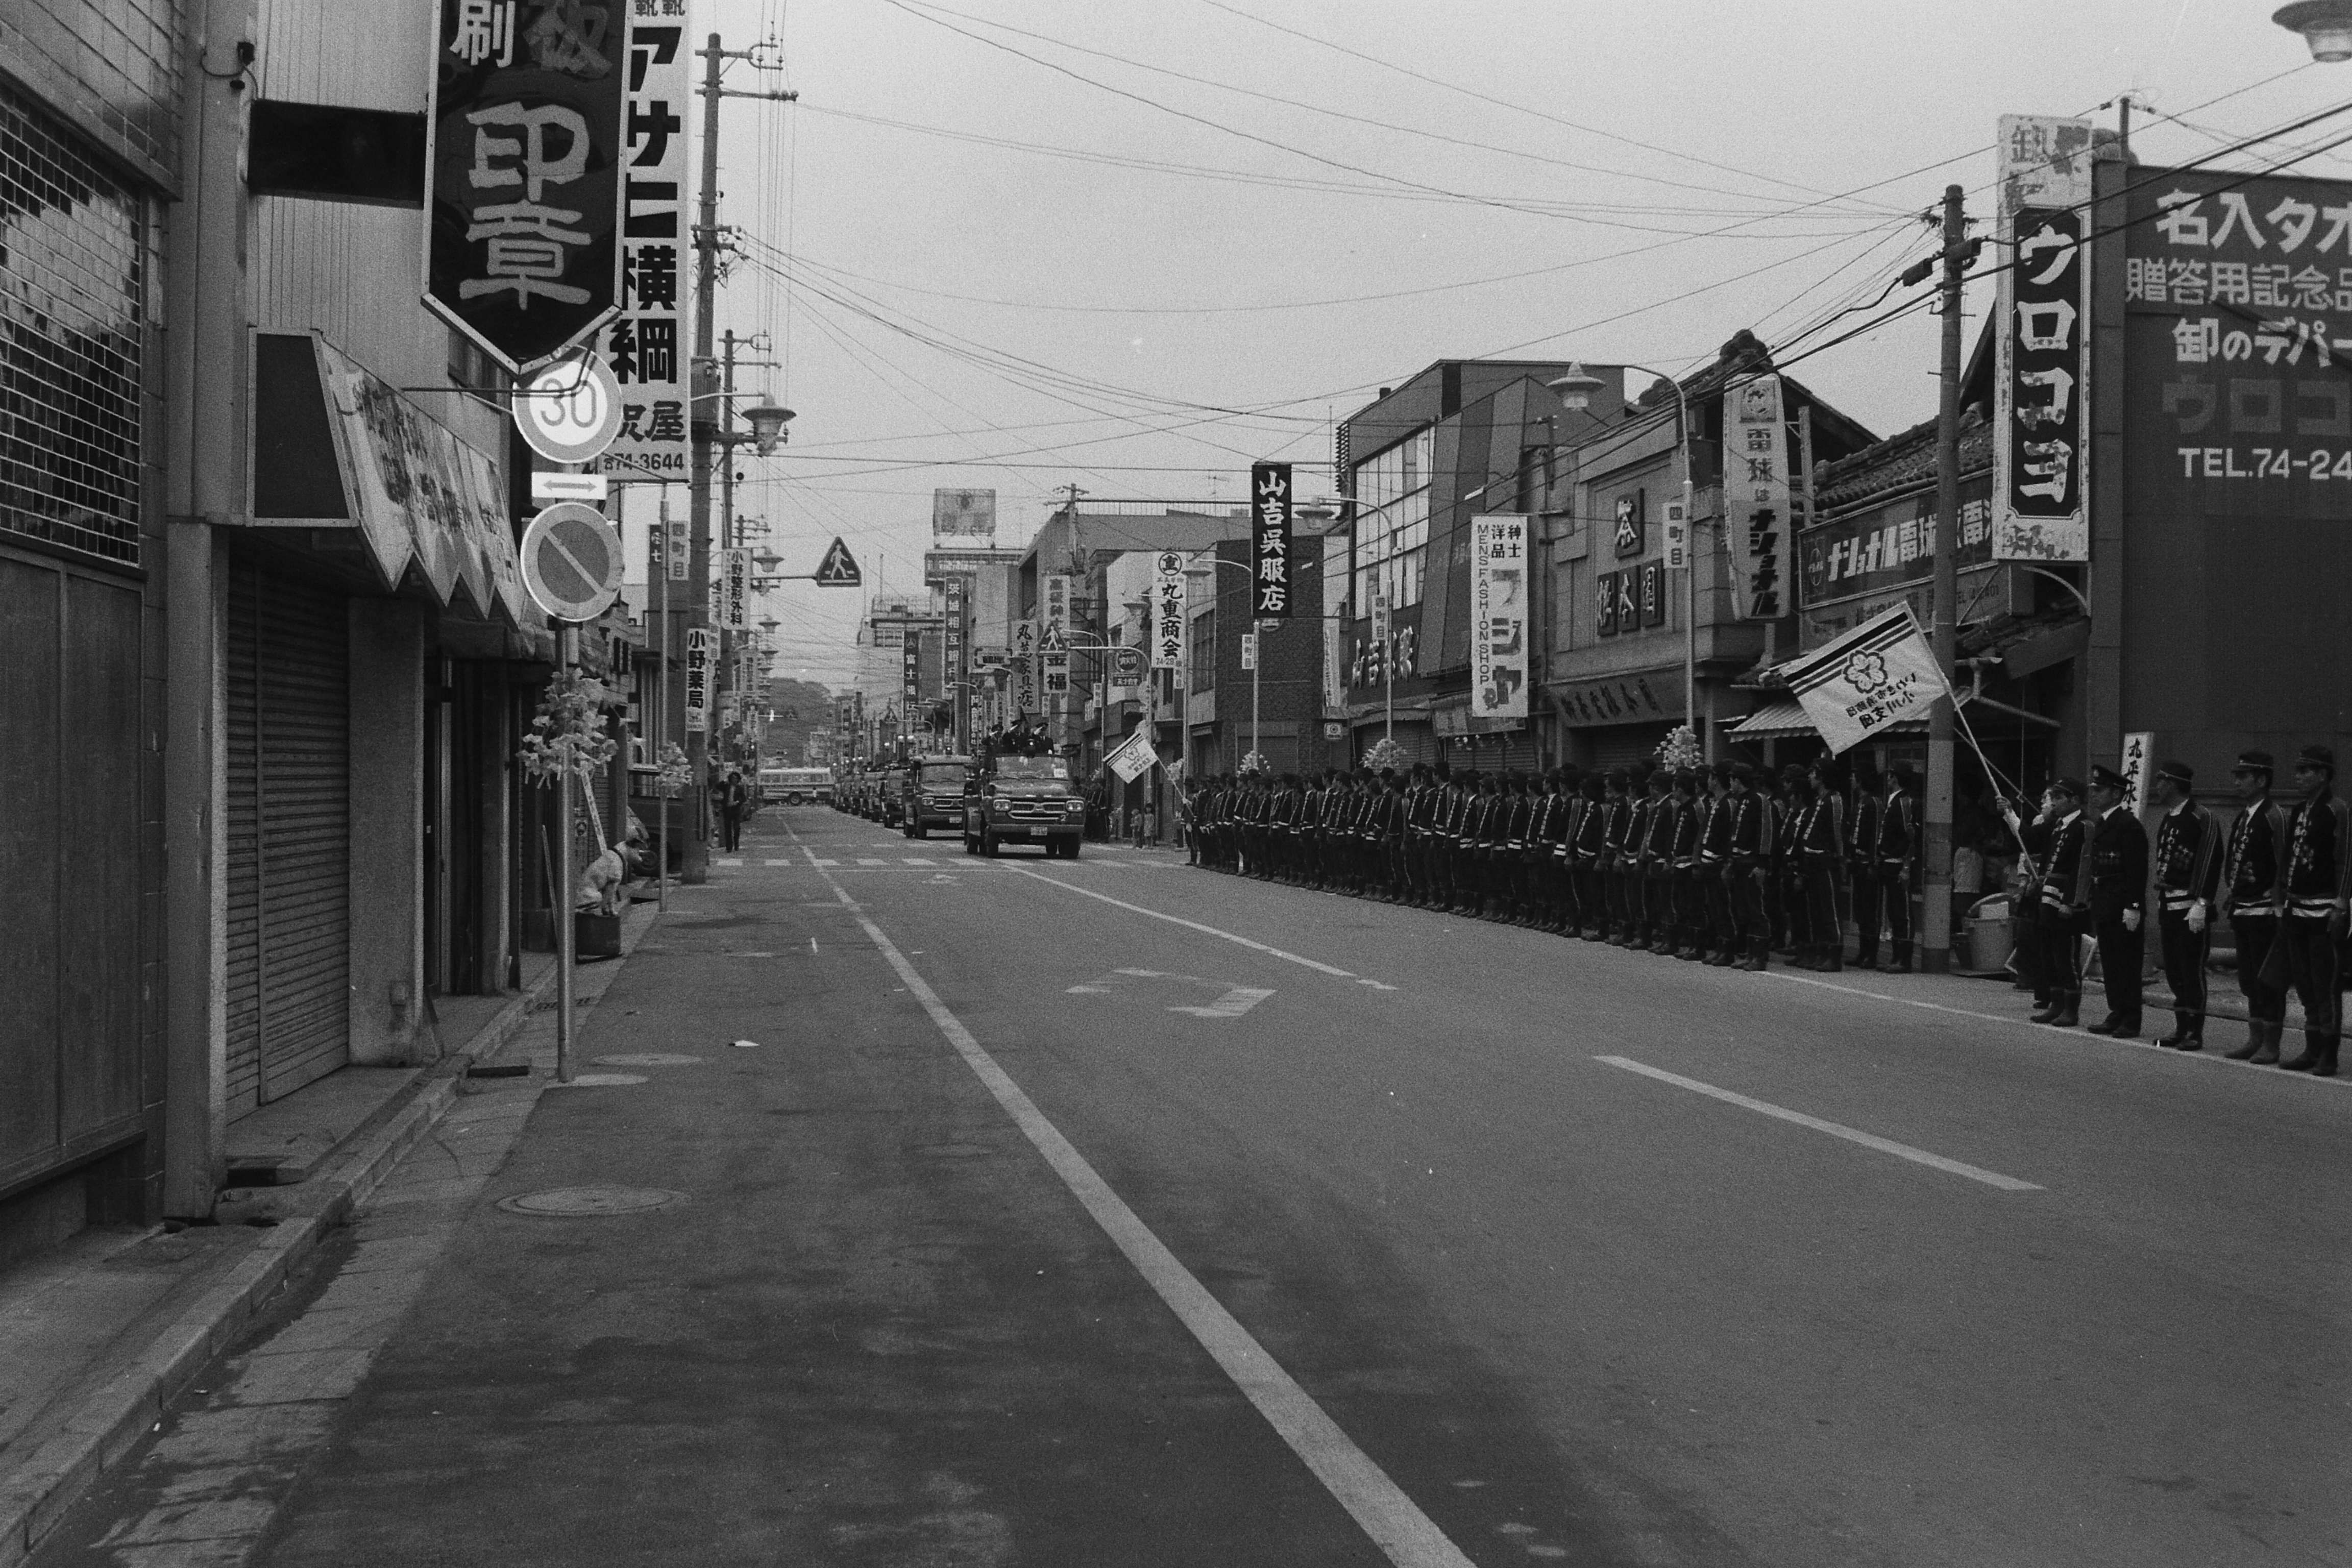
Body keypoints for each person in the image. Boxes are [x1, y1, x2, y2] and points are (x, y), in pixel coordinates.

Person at [2274, 744, 2349, 1075]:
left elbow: (2345, 859)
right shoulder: (2298, 811)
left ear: (2322, 774)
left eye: (2305, 771)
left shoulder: (2338, 810)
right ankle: (2312, 1046)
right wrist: (2281, 898)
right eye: (2298, 770)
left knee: (2325, 985)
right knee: (2304, 984)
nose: (2299, 777)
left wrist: (2341, 904)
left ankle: (2329, 1053)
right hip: (2297, 907)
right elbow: (2289, 857)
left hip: (2324, 909)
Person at [2220, 751, 2291, 1062]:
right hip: (2242, 906)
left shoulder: (2275, 816)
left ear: (2261, 780)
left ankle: (2271, 1043)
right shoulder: (2243, 816)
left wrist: (2279, 903)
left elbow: (2284, 862)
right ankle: (2255, 1037)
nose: (2237, 782)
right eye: (2236, 776)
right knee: (2249, 979)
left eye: (2243, 777)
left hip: (2265, 909)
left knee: (2268, 978)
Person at [2147, 760, 2223, 1050]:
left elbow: (2210, 860)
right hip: (2169, 902)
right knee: (2174, 970)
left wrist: (2202, 901)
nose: (2158, 787)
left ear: (2173, 784)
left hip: (2190, 904)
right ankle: (2181, 1026)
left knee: (2191, 969)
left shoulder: (2201, 817)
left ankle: (2195, 1030)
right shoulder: (2169, 817)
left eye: (2161, 781)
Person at [2081, 764, 2150, 1038]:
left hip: (2122, 904)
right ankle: (2117, 1010)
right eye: (2094, 790)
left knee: (2127, 962)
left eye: (2100, 790)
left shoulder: (2128, 825)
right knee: (2110, 962)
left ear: (2116, 794)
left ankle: (2131, 1017)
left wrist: (2134, 906)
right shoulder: (2103, 823)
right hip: (2105, 902)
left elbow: (2136, 870)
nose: (2094, 794)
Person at [2030, 778, 2091, 1029]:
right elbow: (2045, 856)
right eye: (2052, 797)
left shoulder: (2084, 826)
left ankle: (2071, 1009)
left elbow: (2083, 867)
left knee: (2066, 955)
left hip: (2066, 899)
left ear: (2074, 800)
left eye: (2059, 797)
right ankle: (2056, 1004)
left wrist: (2072, 901)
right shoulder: (2057, 826)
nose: (2054, 802)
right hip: (2049, 895)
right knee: (2049, 953)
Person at [1877, 765, 1923, 972]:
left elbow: (1911, 837)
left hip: (1899, 862)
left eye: (1890, 775)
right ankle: (1896, 955)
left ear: (1895, 778)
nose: (1887, 778)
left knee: (1903, 911)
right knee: (1893, 912)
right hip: (1888, 860)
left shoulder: (1905, 802)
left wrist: (1906, 865)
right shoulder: (1893, 800)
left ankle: (1905, 959)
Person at [718, 768, 749, 852]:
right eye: (732, 778)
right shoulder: (726, 787)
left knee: (736, 828)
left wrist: (738, 802)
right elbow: (718, 786)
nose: (734, 780)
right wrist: (725, 780)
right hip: (727, 809)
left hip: (736, 810)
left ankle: (736, 844)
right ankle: (729, 847)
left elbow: (744, 798)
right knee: (728, 829)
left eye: (736, 778)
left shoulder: (739, 788)